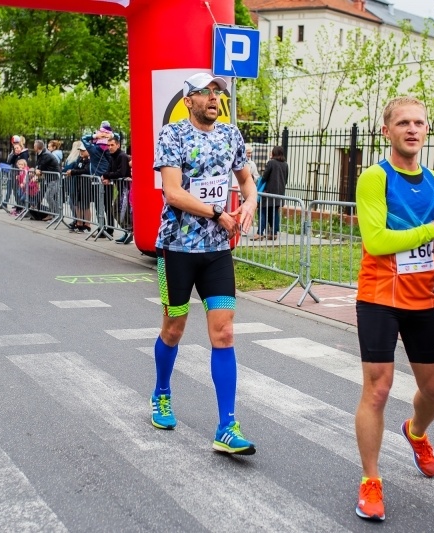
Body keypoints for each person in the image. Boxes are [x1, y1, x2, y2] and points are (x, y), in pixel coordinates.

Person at [353, 96, 434, 522]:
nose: (412, 129)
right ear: (387, 131)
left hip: (420, 298)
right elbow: (376, 241)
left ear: (426, 130)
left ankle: (416, 432)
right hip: (379, 295)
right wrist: (432, 231)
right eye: (403, 123)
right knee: (377, 389)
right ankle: (371, 480)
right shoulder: (374, 178)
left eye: (419, 123)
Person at [151, 72, 258, 455]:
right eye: (205, 92)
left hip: (216, 251)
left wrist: (248, 203)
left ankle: (227, 425)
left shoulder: (231, 135)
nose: (214, 98)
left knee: (224, 333)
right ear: (189, 100)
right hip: (177, 248)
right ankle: (162, 393)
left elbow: (248, 181)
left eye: (218, 93)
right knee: (173, 329)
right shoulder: (172, 135)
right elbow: (174, 193)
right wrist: (218, 213)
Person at [252, 146, 288, 240]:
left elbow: (264, 177)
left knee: (262, 211)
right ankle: (274, 233)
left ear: (274, 153)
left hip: (268, 192)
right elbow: (286, 179)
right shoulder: (285, 164)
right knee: (274, 212)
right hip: (279, 193)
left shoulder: (271, 163)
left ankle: (260, 233)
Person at [102, 134, 132, 242]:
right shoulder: (112, 157)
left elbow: (121, 173)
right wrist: (107, 177)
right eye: (108, 145)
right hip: (120, 188)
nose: (110, 147)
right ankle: (127, 230)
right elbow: (109, 171)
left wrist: (106, 176)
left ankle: (130, 231)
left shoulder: (122, 156)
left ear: (118, 145)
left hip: (126, 189)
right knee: (116, 210)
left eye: (112, 145)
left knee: (122, 211)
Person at [64, 145, 92, 233]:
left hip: (85, 184)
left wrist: (73, 172)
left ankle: (87, 224)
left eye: (83, 151)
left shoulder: (89, 161)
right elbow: (76, 167)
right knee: (77, 204)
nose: (81, 152)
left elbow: (86, 171)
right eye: (80, 150)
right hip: (78, 184)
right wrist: (71, 171)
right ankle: (79, 222)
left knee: (85, 205)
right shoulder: (80, 159)